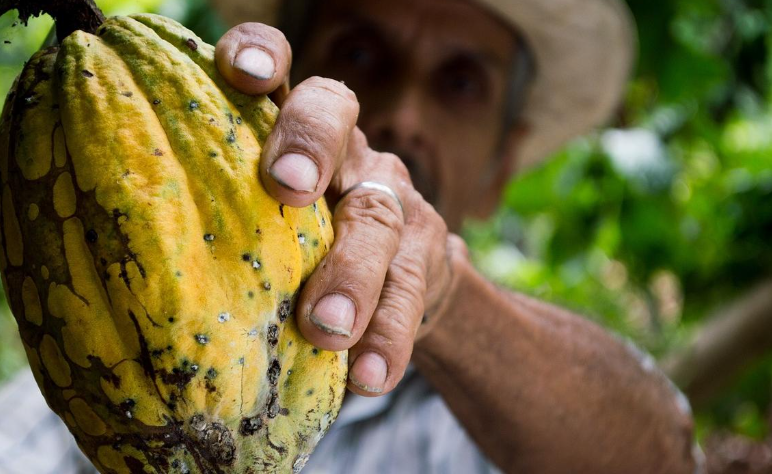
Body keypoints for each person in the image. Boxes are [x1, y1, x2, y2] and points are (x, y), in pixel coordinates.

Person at [0, 0, 704, 473]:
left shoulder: (498, 418)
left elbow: (661, 451)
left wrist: (443, 299)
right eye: (361, 54)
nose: (401, 114)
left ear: (502, 167)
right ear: (272, 88)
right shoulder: (101, 355)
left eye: (460, 83)